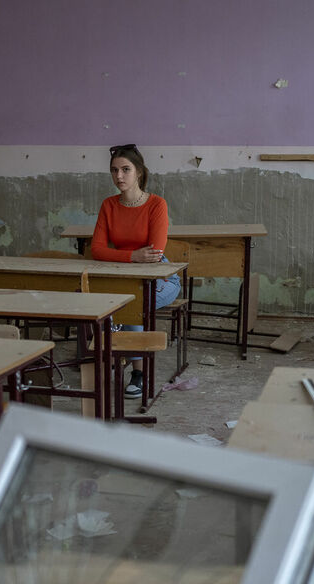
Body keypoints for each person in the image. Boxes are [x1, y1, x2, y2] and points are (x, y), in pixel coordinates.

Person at [90, 144, 182, 398]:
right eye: (114, 170)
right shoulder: (109, 205)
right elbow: (97, 249)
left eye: (125, 170)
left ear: (139, 172)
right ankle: (119, 354)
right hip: (124, 274)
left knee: (132, 303)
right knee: (108, 300)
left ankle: (138, 371)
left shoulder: (156, 205)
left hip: (162, 277)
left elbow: (155, 253)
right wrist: (132, 255)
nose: (119, 176)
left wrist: (128, 257)